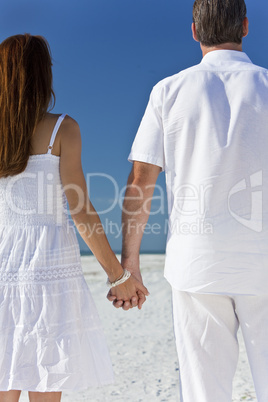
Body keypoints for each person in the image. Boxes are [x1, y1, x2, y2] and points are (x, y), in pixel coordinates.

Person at [108, 0, 268, 400]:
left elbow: (141, 181)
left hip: (198, 262)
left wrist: (130, 265)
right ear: (245, 27)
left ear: (194, 31)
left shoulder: (169, 91)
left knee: (204, 390)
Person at [0, 34, 149, 402]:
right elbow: (80, 209)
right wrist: (119, 275)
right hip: (48, 263)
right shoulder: (61, 129)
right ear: (42, 76)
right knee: (47, 378)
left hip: (3, 257)